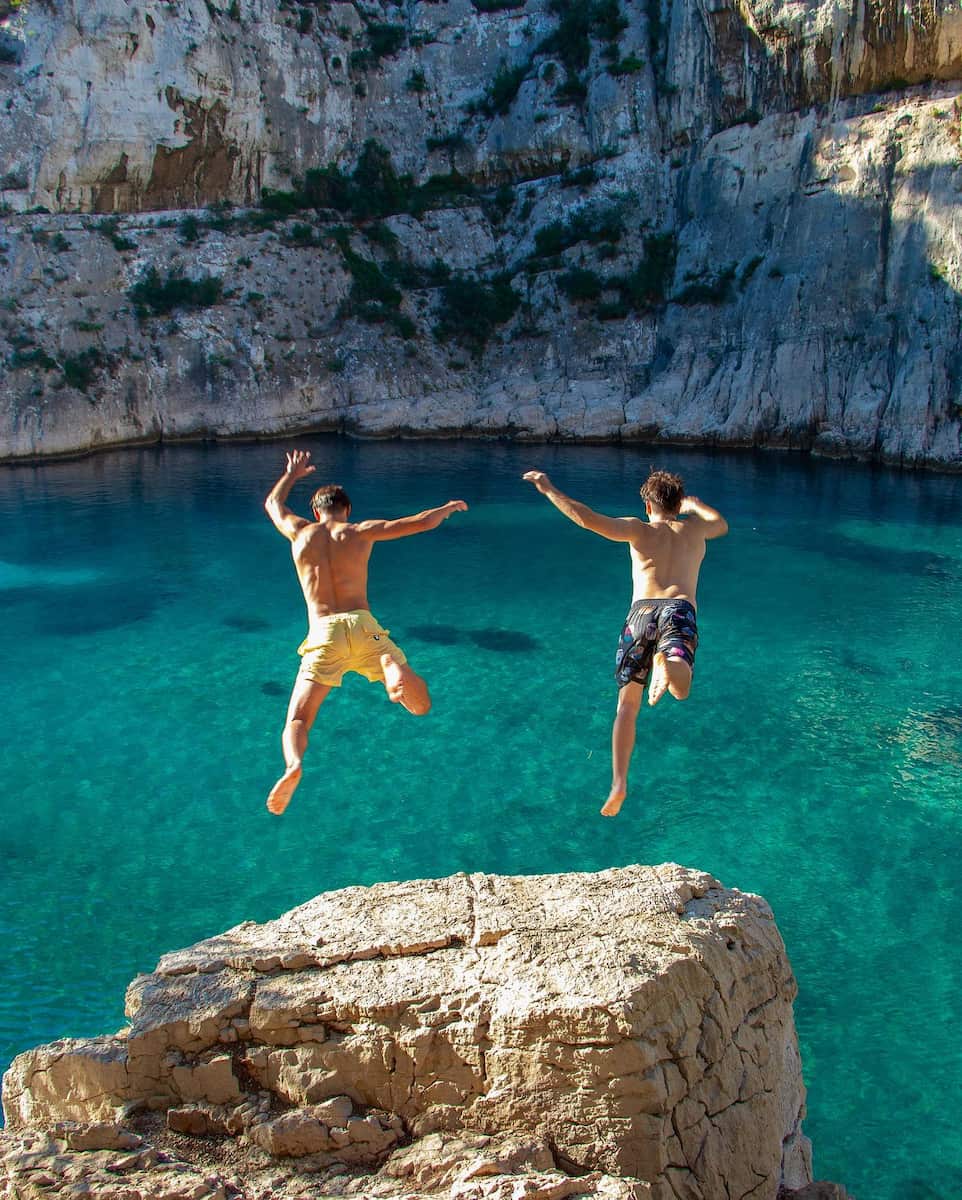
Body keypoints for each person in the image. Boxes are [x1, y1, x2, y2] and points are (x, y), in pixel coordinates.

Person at [264, 449, 468, 815]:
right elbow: (418, 522)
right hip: (364, 625)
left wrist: (292, 474)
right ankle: (392, 670)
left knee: (298, 718)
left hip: (323, 633)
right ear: (348, 509)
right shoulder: (360, 532)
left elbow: (273, 504)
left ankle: (293, 765)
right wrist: (446, 508)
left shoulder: (299, 532)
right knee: (421, 708)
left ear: (315, 512)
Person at [522, 467, 728, 817]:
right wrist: (698, 506)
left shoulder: (639, 529)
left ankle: (618, 783)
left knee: (627, 707)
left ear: (648, 506)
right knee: (680, 689)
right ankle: (667, 661)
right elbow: (721, 523)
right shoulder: (695, 529)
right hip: (678, 609)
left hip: (639, 615)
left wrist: (548, 489)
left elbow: (587, 519)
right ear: (678, 504)